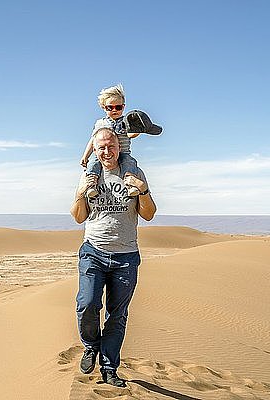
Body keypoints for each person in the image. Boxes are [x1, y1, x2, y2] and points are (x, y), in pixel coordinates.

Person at [71, 128, 157, 387]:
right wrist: (79, 194)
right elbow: (78, 217)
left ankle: (110, 368)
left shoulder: (134, 173)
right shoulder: (89, 176)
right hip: (93, 252)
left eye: (111, 146)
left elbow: (149, 214)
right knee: (87, 304)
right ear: (95, 151)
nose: (107, 151)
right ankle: (90, 347)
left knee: (117, 315)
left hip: (126, 256)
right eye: (101, 148)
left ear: (119, 146)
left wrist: (143, 191)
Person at [80, 84, 142, 198]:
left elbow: (131, 134)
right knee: (93, 163)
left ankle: (130, 184)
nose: (114, 110)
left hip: (123, 152)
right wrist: (85, 156)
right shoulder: (100, 123)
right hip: (102, 153)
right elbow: (93, 140)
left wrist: (139, 129)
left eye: (118, 107)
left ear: (123, 107)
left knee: (129, 162)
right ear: (104, 107)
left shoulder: (126, 121)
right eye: (110, 107)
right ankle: (91, 185)